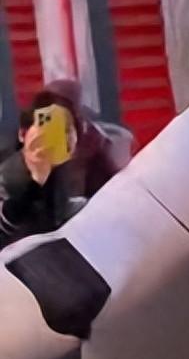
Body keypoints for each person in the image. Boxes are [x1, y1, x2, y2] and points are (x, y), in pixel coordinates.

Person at [0, 85, 118, 246]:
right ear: (23, 134)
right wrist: (35, 182)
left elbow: (58, 214)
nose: (56, 136)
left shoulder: (61, 168)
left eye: (65, 129)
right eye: (45, 125)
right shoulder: (8, 173)